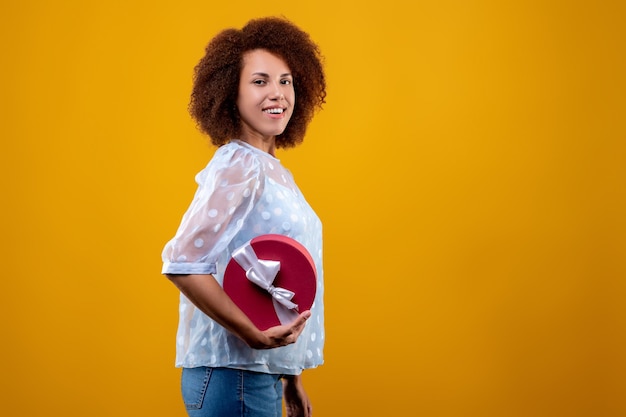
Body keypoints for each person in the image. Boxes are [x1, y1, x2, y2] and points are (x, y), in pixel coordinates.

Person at [161, 16, 326, 417]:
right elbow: (182, 263)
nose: (278, 93)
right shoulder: (239, 163)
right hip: (232, 374)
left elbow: (279, 276)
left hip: (258, 372)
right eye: (260, 81)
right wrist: (251, 336)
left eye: (286, 81)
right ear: (228, 92)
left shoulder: (272, 170)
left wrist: (291, 376)